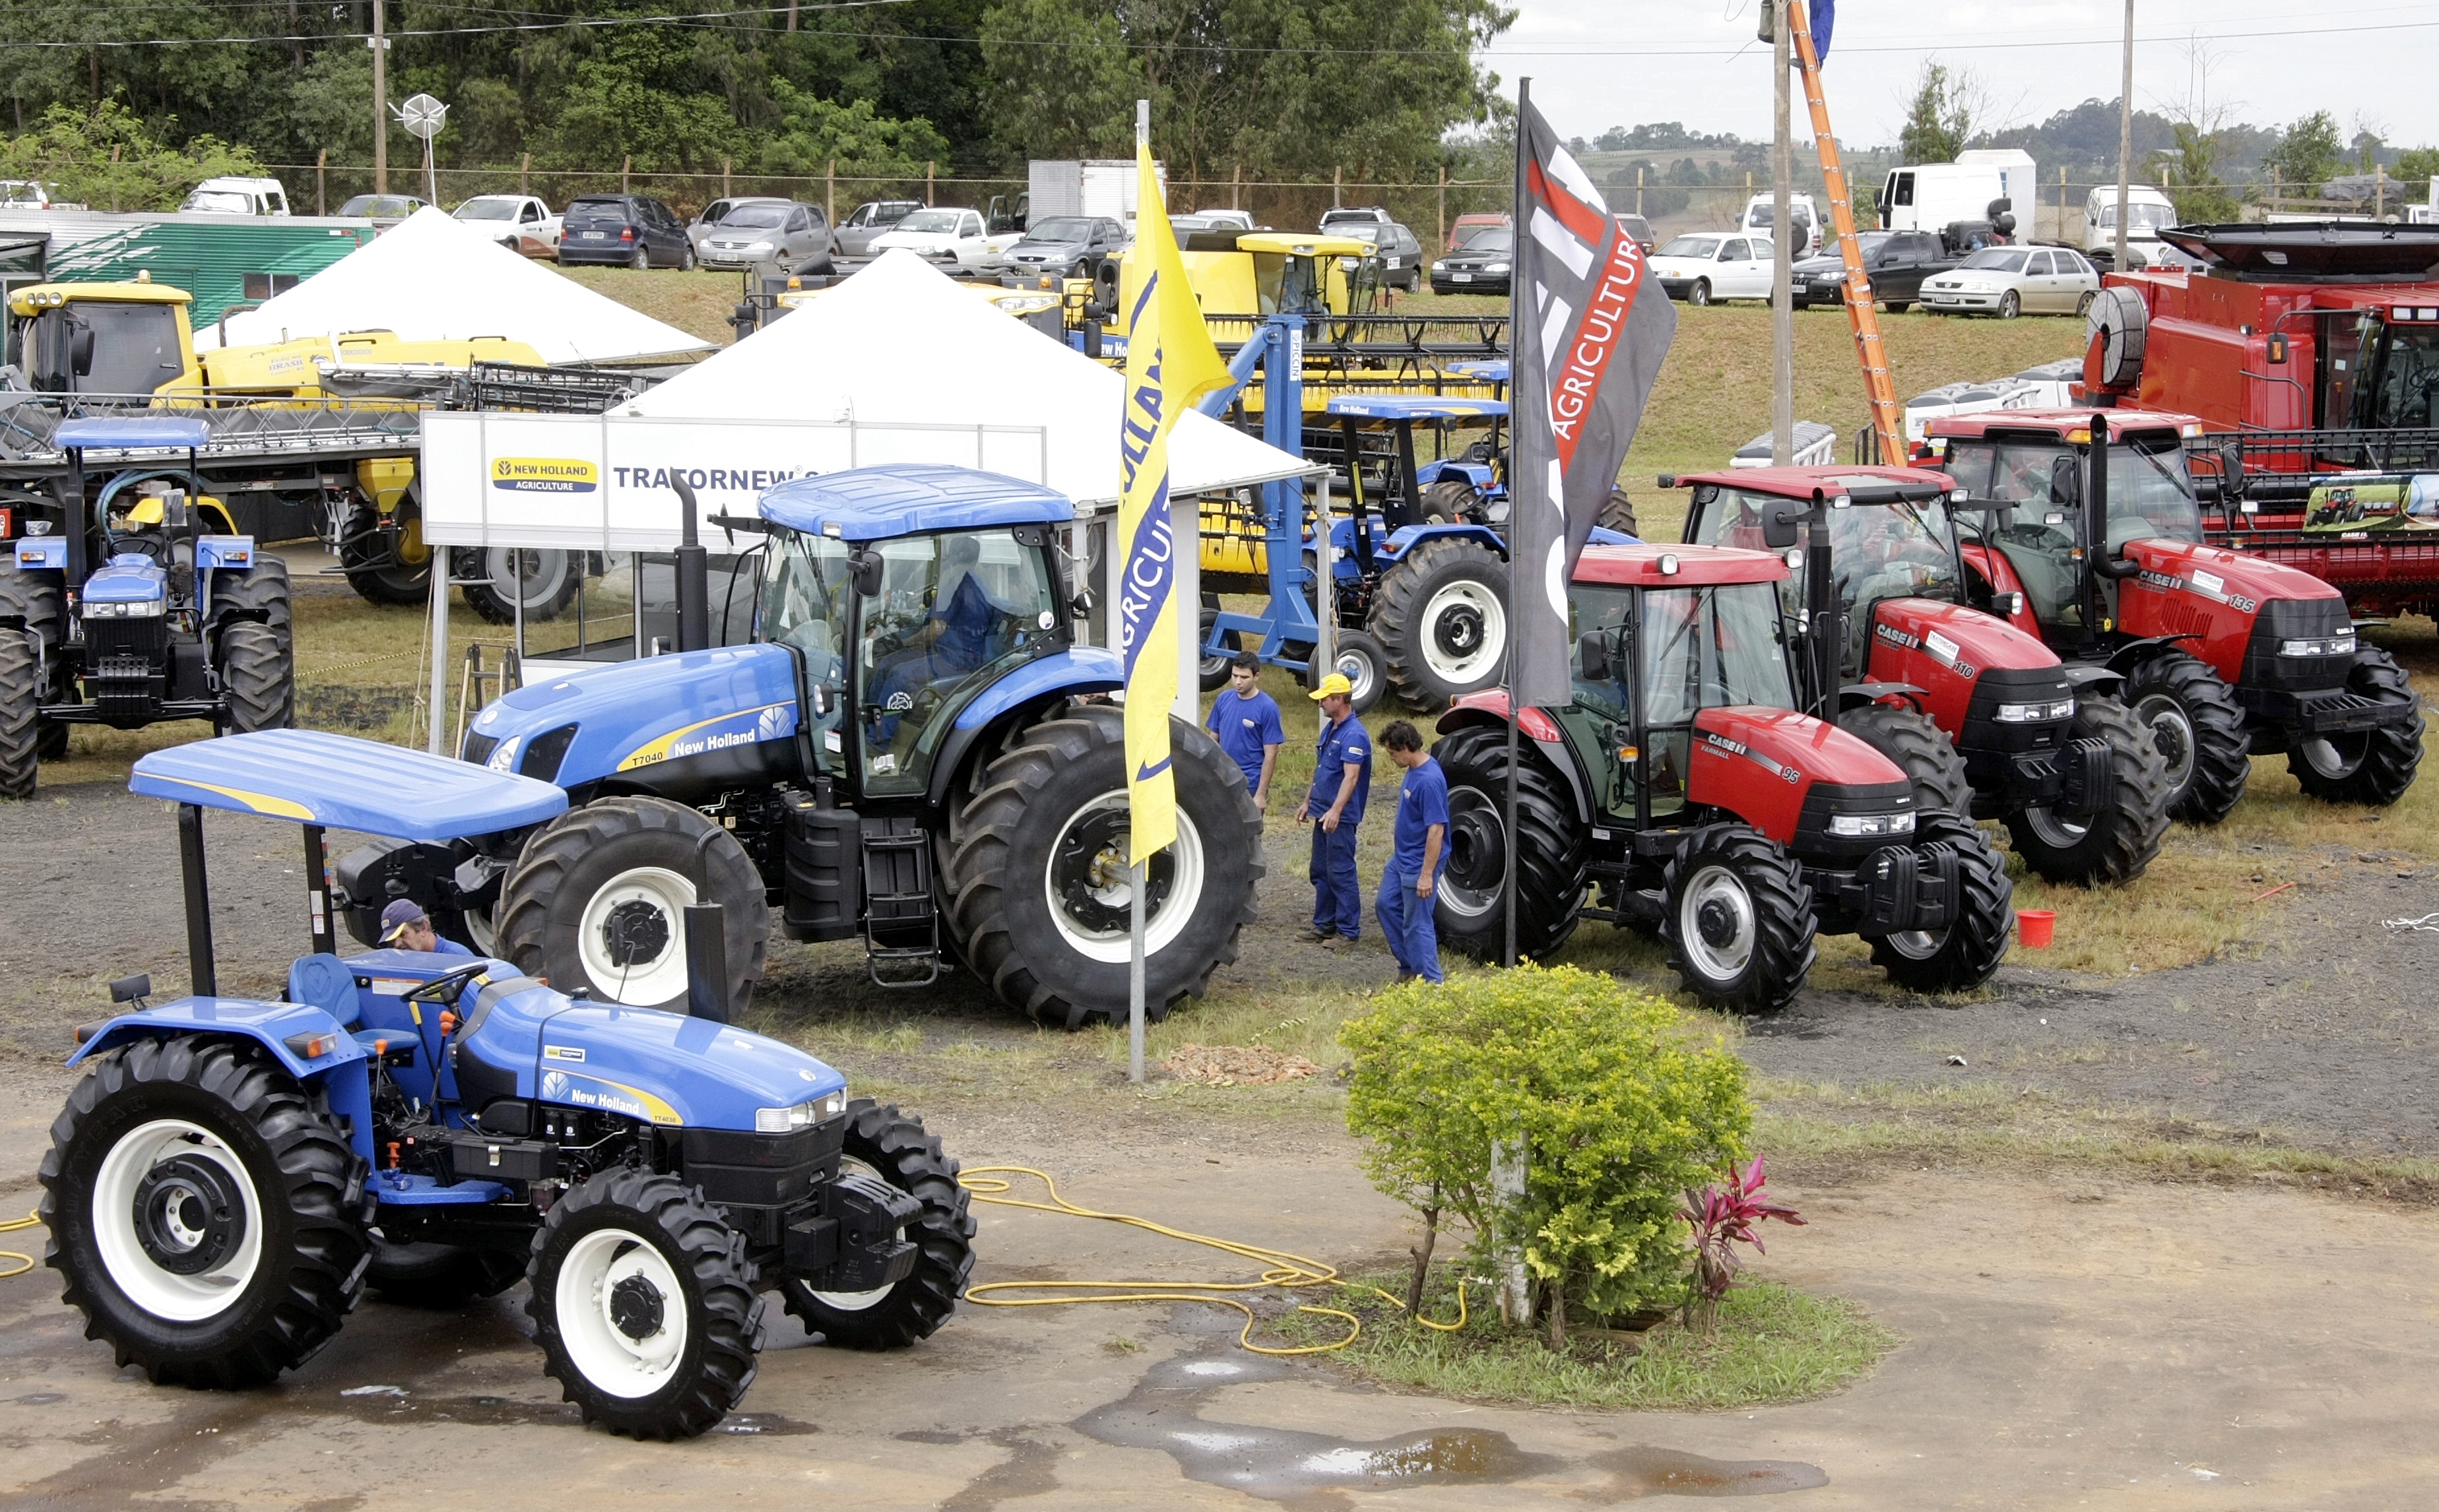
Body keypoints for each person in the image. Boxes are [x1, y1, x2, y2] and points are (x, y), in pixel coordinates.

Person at [1295, 672, 1371, 947]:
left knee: (1341, 871)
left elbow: (1351, 777)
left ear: (1339, 700)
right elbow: (1322, 772)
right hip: (1324, 813)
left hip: (1339, 817)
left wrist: (1337, 811)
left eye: (1324, 699)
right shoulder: (1332, 729)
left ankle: (1348, 931)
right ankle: (1324, 924)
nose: (1320, 704)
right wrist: (1308, 802)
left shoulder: (1354, 735)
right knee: (1321, 869)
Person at [1375, 721, 1448, 984]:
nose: (1392, 759)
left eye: (1393, 754)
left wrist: (1427, 874)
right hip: (1401, 860)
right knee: (1385, 905)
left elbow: (1436, 831)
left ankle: (1431, 982)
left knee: (1418, 924)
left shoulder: (1428, 781)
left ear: (1407, 748)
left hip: (1419, 863)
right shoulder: (1414, 769)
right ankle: (1409, 966)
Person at [1205, 652, 1285, 813]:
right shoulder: (1223, 699)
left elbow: (1271, 754)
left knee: (1248, 835)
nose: (1238, 682)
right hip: (1223, 777)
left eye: (1244, 677)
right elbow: (1213, 741)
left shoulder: (1267, 708)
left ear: (1256, 676)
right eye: (1235, 676)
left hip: (1250, 783)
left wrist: (1261, 794)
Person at [379, 898, 473, 958]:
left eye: (403, 935)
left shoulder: (458, 957)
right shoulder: (403, 962)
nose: (398, 944)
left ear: (424, 928)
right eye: (393, 940)